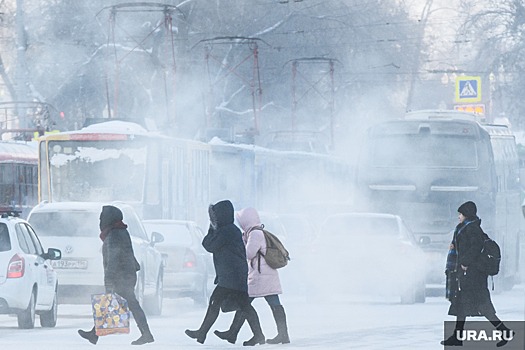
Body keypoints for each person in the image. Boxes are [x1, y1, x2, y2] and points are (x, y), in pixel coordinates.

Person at [185, 200, 265, 346]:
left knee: (218, 303)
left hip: (232, 276)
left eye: (214, 217)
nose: (213, 219)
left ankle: (202, 333)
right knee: (243, 306)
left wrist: (211, 228)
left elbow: (209, 245)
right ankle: (257, 335)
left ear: (221, 215)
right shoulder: (229, 229)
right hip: (233, 275)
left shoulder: (227, 231)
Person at [78, 205, 154, 346]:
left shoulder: (114, 234)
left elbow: (113, 258)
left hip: (121, 276)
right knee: (121, 304)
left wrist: (109, 281)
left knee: (124, 304)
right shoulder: (120, 231)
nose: (100, 220)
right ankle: (94, 334)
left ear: (109, 218)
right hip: (126, 275)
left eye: (102, 217)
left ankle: (146, 334)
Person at [214, 207, 290, 345]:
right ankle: (281, 335)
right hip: (264, 275)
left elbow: (248, 254)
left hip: (260, 276)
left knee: (245, 303)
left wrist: (240, 243)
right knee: (270, 303)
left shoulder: (255, 234)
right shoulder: (254, 232)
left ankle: (237, 333)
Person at [441, 201, 512, 347]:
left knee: (483, 306)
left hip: (474, 275)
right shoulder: (466, 228)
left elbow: (476, 247)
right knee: (461, 305)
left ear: (466, 214)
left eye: (460, 214)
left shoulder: (471, 229)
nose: (458, 217)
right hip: (469, 274)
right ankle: (457, 337)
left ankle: (505, 331)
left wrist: (465, 263)